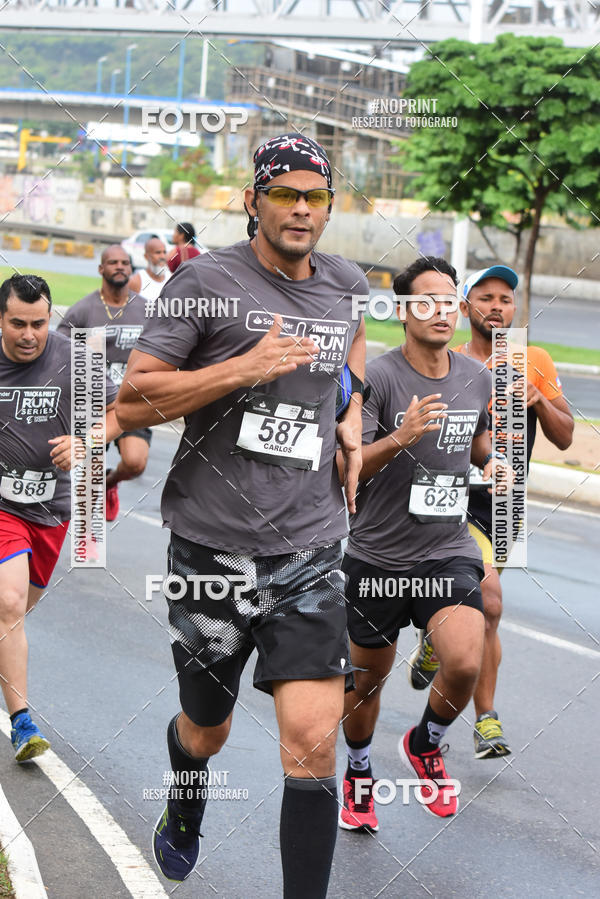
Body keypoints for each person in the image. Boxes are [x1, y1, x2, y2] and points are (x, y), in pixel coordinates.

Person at [116, 132, 367, 894]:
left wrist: (349, 411)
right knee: (207, 727)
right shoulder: (204, 285)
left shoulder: (348, 284)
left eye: (314, 196)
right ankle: (186, 798)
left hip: (311, 550)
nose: (300, 208)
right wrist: (242, 368)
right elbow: (134, 397)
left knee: (312, 741)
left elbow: (344, 360)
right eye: (285, 193)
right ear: (252, 200)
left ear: (329, 207)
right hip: (210, 552)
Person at [338, 256, 512, 831]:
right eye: (427, 301)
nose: (441, 311)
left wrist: (496, 464)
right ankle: (359, 772)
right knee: (366, 686)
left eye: (448, 300)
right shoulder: (378, 378)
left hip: (446, 549)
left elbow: (475, 441)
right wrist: (402, 436)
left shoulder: (477, 377)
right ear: (405, 310)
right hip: (377, 557)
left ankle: (425, 742)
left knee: (463, 659)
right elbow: (350, 464)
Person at [408, 265, 574, 759]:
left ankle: (443, 653)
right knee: (492, 601)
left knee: (489, 615)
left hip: (505, 503)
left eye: (507, 298)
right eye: (487, 297)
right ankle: (486, 719)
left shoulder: (533, 359)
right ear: (465, 307)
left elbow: (565, 436)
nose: (498, 306)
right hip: (451, 497)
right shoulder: (449, 362)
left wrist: (539, 399)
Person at [0, 274, 119, 761]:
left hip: (51, 511)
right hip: (2, 507)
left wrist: (88, 444)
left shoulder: (79, 359)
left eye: (39, 323)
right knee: (8, 605)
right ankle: (23, 724)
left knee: (12, 616)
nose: (29, 334)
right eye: (17, 323)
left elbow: (116, 417)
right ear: (0, 319)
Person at [57, 245, 151, 522]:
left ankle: (108, 483)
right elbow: (59, 356)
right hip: (94, 407)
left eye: (125, 262)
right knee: (81, 491)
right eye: (113, 262)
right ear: (101, 269)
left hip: (133, 401)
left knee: (135, 463)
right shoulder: (82, 311)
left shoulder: (146, 310)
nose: (120, 266)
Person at [129, 236, 170, 301]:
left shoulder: (172, 278)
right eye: (158, 252)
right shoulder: (136, 281)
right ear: (146, 256)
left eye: (164, 252)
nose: (162, 256)